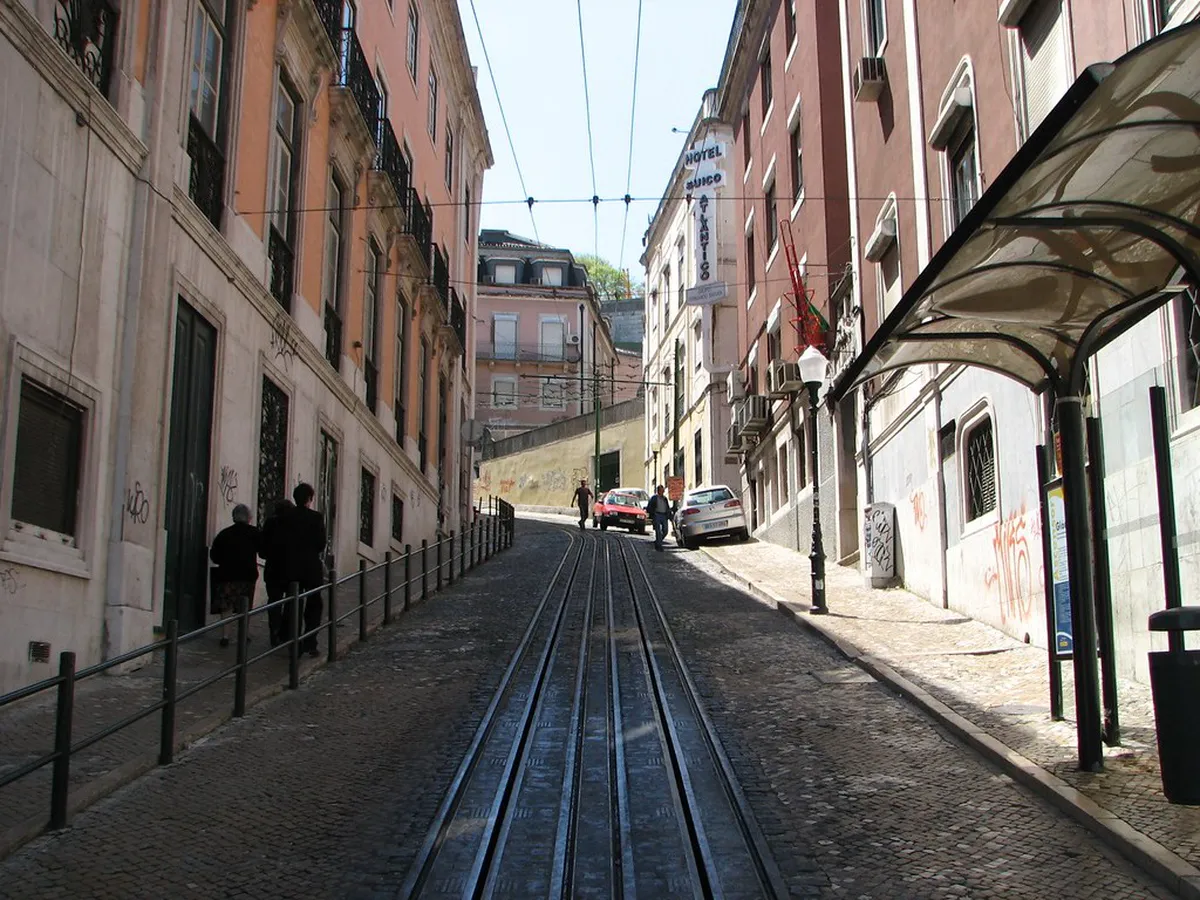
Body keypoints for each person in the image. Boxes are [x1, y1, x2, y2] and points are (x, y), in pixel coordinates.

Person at [282, 483, 328, 657]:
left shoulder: (286, 517)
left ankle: (292, 641)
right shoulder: (316, 517)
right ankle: (310, 642)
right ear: (310, 499)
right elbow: (321, 543)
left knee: (292, 603)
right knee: (314, 604)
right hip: (310, 566)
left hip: (290, 566)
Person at [209, 504, 260, 647]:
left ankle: (225, 636)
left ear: (234, 517)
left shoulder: (224, 534)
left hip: (227, 575)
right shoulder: (254, 533)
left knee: (227, 606)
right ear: (249, 518)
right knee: (245, 606)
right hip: (247, 575)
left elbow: (215, 556)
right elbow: (262, 551)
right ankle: (243, 635)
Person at [259, 498, 294, 646]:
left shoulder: (270, 523)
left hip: (273, 569)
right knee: (291, 602)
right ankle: (285, 633)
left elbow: (262, 550)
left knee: (274, 601)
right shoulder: (295, 525)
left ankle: (274, 631)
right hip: (291, 569)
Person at [646, 485, 672, 552]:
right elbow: (649, 507)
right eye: (661, 490)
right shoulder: (654, 498)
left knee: (665, 531)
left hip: (664, 515)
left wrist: (669, 515)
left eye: (663, 490)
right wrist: (652, 513)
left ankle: (658, 541)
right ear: (658, 491)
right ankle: (659, 546)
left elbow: (667, 507)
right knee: (658, 531)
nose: (663, 491)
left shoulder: (665, 498)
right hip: (657, 515)